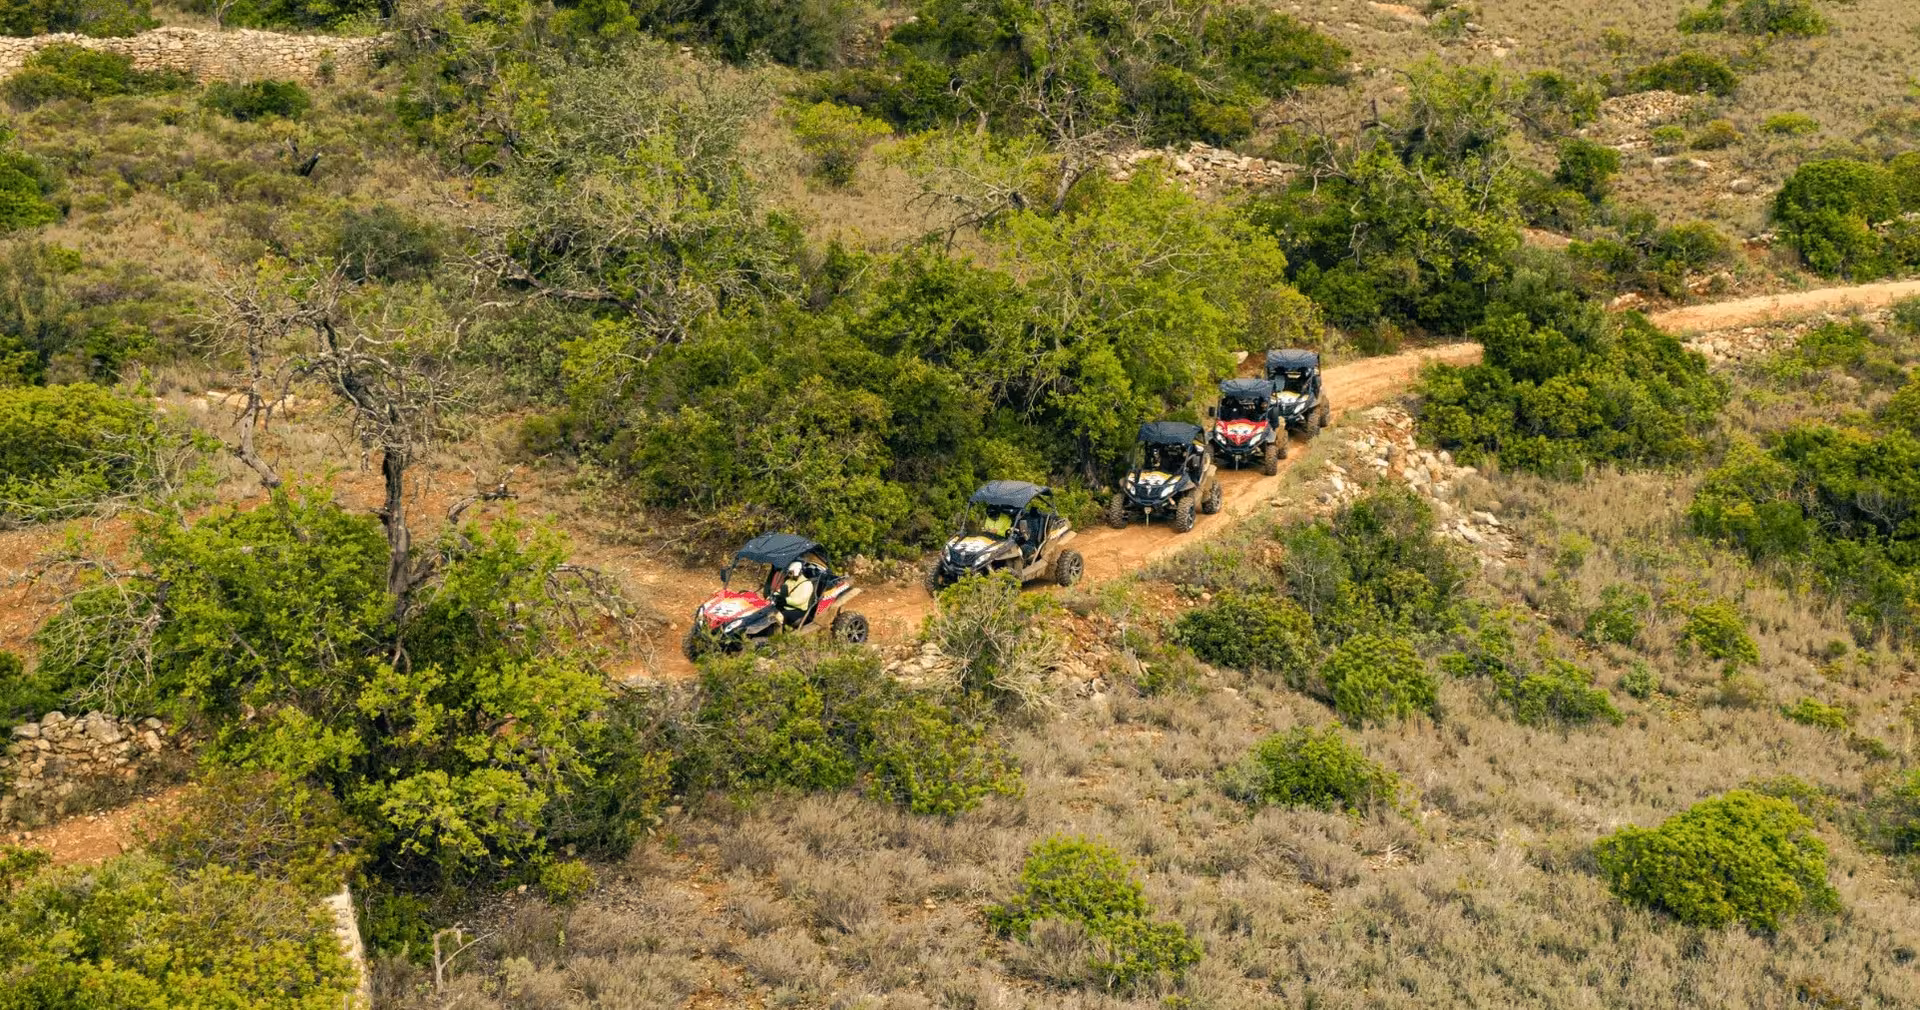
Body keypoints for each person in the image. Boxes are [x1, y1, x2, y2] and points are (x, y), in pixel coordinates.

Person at [776, 560, 814, 626]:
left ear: (796, 571)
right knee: (770, 609)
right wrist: (775, 595)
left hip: (798, 610)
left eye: (791, 573)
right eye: (788, 573)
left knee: (780, 616)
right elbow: (780, 591)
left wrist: (786, 600)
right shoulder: (789, 581)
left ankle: (780, 633)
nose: (789, 575)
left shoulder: (807, 584)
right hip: (787, 606)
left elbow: (800, 600)